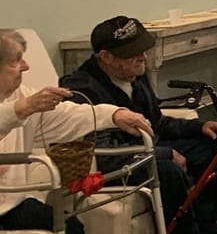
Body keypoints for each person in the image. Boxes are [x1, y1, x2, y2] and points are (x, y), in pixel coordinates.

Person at [60, 16, 217, 234]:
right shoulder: (82, 90)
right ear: (105, 56)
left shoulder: (134, 74)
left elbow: (155, 121)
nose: (143, 57)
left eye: (143, 50)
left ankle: (209, 226)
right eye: (132, 53)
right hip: (117, 162)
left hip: (147, 148)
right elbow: (105, 155)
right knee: (167, 171)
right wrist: (164, 153)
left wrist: (198, 127)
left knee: (210, 145)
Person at [0, 29, 153, 231]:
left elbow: (64, 116)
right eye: (17, 60)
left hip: (11, 206)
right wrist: (22, 108)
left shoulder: (20, 94)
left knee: (72, 227)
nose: (26, 66)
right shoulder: (23, 103)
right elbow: (12, 114)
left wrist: (113, 115)